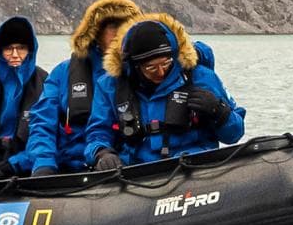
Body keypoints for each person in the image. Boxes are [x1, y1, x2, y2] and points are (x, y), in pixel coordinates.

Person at [89, 13, 245, 169]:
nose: (161, 72)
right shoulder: (110, 86)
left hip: (194, 168)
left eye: (166, 64)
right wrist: (101, 153)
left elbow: (235, 134)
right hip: (136, 172)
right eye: (151, 68)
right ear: (135, 66)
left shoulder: (201, 77)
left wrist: (219, 111)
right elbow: (98, 132)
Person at [23, 0, 140, 176]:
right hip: (70, 169)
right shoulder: (63, 73)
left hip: (121, 166)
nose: (120, 32)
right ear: (96, 31)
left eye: (127, 25)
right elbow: (42, 122)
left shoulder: (143, 71)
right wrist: (43, 163)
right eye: (113, 26)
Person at [0, 16, 48, 175]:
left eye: (21, 48)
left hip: (29, 166)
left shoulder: (47, 89)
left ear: (30, 51)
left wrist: (13, 165)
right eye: (8, 49)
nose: (14, 54)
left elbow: (49, 136)